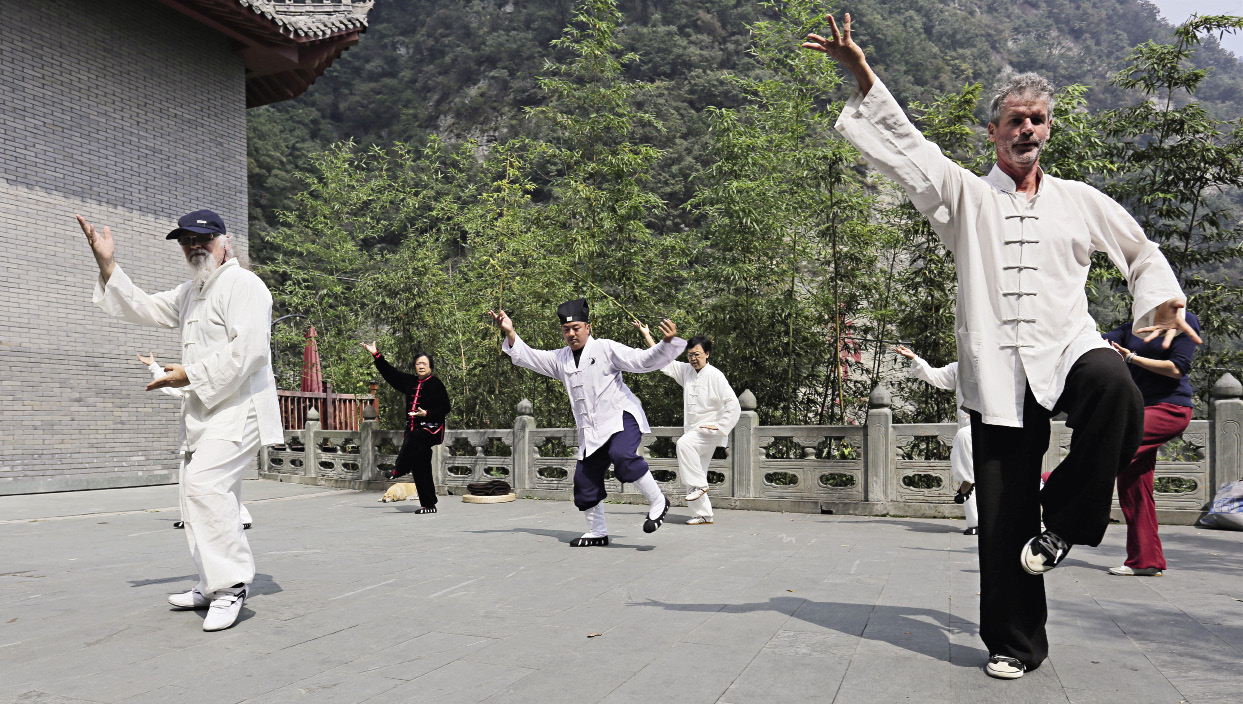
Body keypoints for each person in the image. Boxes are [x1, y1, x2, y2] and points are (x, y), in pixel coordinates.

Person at [802, 13, 1199, 679]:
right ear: (992, 131)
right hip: (995, 370)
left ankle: (1066, 523)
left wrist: (1159, 300)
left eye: (1037, 119)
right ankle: (1015, 643)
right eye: (1014, 120)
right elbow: (907, 147)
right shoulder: (964, 198)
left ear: (1048, 129)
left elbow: (1139, 249)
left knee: (1115, 388)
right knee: (1002, 514)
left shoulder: (1078, 200)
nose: (1026, 130)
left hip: (1068, 346)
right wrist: (863, 74)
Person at [79, 210, 281, 632]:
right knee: (194, 493)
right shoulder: (193, 291)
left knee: (205, 485)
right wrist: (107, 265)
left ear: (225, 241)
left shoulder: (244, 285)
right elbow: (145, 306)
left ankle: (230, 588)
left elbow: (251, 352)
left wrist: (189, 373)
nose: (194, 246)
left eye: (202, 239)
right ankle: (211, 582)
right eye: (186, 240)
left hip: (239, 406)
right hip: (205, 409)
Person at [489, 299, 686, 546]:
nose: (571, 334)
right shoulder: (560, 359)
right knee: (584, 481)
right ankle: (598, 532)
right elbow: (530, 357)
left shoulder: (605, 348)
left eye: (576, 328)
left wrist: (666, 343)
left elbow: (642, 360)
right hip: (591, 431)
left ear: (588, 328)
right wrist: (510, 332)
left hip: (620, 417)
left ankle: (659, 500)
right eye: (566, 330)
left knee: (622, 454)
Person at [1102, 312, 1201, 576]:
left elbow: (1177, 368)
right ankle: (1145, 561)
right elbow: (1098, 344)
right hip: (1140, 409)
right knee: (1133, 485)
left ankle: (1050, 480)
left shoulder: (1183, 321)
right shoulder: (1131, 327)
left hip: (1170, 408)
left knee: (1112, 444)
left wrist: (1132, 358)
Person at [137, 352, 254, 531]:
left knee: (223, 481)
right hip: (190, 438)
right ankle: (189, 518)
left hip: (211, 436)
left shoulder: (209, 385)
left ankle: (240, 516)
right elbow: (170, 385)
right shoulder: (188, 388)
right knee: (188, 480)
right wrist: (153, 366)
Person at [637, 327, 740, 525]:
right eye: (690, 355)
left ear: (707, 354)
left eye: (697, 354)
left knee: (684, 446)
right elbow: (665, 361)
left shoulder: (715, 375)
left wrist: (720, 426)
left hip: (708, 430)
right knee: (694, 469)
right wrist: (648, 336)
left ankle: (700, 486)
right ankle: (703, 514)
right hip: (694, 430)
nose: (693, 358)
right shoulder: (686, 371)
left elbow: (733, 403)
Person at [893, 346, 977, 535]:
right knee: (968, 464)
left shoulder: (1000, 369)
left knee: (978, 467)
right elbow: (934, 375)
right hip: (968, 426)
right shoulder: (959, 368)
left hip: (996, 426)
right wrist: (915, 358)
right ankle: (975, 522)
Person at [361, 343, 451, 514]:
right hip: (413, 433)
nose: (421, 366)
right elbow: (390, 374)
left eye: (424, 363)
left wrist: (427, 413)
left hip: (431, 429)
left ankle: (398, 469)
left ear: (430, 366)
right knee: (420, 466)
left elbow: (445, 407)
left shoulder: (436, 384)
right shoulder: (410, 382)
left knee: (417, 436)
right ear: (415, 366)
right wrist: (376, 355)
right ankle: (428, 504)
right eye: (418, 363)